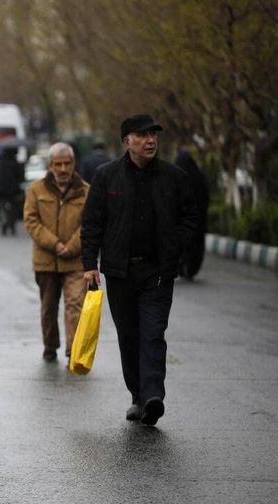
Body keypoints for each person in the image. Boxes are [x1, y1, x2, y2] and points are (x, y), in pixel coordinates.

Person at [81, 114, 196, 426]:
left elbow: (190, 217)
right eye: (142, 135)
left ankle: (153, 395)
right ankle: (137, 395)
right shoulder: (106, 177)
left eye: (153, 135)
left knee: (153, 333)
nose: (150, 140)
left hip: (158, 272)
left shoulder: (174, 177)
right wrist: (90, 265)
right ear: (126, 142)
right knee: (129, 335)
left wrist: (176, 246)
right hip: (120, 273)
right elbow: (92, 224)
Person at [24, 143, 89, 362]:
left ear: (73, 165)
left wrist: (72, 245)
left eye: (67, 164)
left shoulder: (85, 190)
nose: (63, 169)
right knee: (48, 307)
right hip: (46, 260)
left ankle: (74, 349)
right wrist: (54, 244)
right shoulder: (36, 189)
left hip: (75, 261)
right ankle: (50, 346)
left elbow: (90, 224)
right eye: (58, 164)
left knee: (75, 305)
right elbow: (31, 221)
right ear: (50, 166)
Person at [175, 148, 210, 279]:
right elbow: (206, 195)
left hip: (182, 220)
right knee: (195, 244)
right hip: (198, 219)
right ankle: (191, 269)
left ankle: (182, 266)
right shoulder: (199, 176)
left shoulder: (176, 176)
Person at [0, 146, 24, 236]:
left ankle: (4, 221)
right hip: (13, 190)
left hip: (0, 189)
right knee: (13, 208)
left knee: (1, 207)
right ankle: (11, 224)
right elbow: (21, 177)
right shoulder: (15, 163)